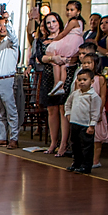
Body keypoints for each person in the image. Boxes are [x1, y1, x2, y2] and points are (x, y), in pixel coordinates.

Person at [39, 12, 70, 156]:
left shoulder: (67, 37)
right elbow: (40, 57)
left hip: (65, 74)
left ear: (59, 22)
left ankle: (64, 144)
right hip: (48, 75)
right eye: (48, 23)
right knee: (51, 110)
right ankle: (53, 142)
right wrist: (52, 58)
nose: (51, 25)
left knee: (63, 109)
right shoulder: (42, 40)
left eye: (54, 22)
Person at [0, 16, 20, 149]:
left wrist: (9, 23)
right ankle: (2, 137)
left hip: (7, 79)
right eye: (0, 25)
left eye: (4, 25)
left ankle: (14, 138)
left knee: (11, 110)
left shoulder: (12, 43)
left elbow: (13, 36)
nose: (2, 28)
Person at [64, 70, 102, 175]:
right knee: (75, 145)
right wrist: (68, 114)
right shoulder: (75, 94)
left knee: (86, 147)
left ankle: (86, 166)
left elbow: (95, 112)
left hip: (86, 125)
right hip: (75, 123)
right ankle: (76, 163)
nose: (82, 82)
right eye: (79, 80)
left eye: (85, 80)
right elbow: (67, 103)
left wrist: (92, 125)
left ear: (92, 81)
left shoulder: (93, 96)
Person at [45, 0, 85, 94]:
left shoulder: (74, 21)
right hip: (71, 42)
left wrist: (53, 41)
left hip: (71, 43)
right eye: (67, 10)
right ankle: (60, 85)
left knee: (52, 50)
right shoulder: (75, 21)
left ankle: (57, 84)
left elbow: (63, 33)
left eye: (72, 10)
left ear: (78, 12)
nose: (69, 12)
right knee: (63, 64)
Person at [78, 53, 108, 168]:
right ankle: (84, 160)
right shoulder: (80, 80)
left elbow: (103, 96)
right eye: (84, 63)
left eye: (89, 63)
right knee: (84, 138)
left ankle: (95, 160)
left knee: (97, 139)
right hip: (84, 112)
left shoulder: (100, 79)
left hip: (96, 111)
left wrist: (99, 112)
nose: (86, 65)